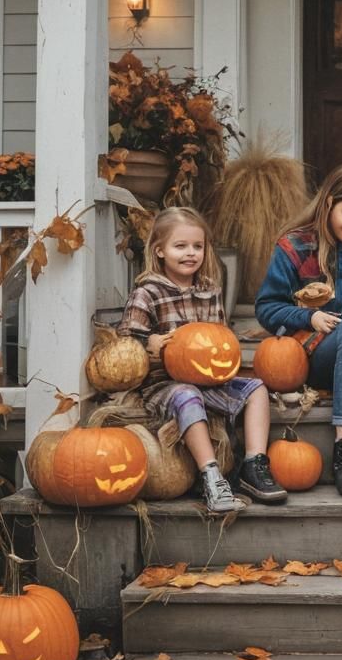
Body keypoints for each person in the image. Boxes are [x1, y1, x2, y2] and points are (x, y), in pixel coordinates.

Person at [118, 207, 286, 514]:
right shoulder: (148, 292)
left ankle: (254, 464)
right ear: (159, 250)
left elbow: (219, 338)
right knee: (187, 394)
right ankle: (211, 476)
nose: (190, 253)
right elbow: (126, 342)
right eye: (180, 246)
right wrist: (149, 341)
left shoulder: (210, 290)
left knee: (257, 389)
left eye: (198, 246)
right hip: (165, 383)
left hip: (210, 380)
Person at [256, 162, 342, 497]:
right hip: (314, 356)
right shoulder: (294, 247)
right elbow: (266, 308)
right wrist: (309, 317)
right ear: (329, 202)